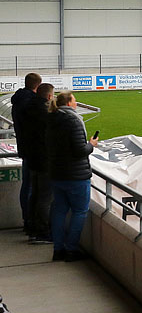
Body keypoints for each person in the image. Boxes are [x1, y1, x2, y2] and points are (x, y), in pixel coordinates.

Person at [47, 92, 98, 262]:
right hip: (75, 175)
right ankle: (71, 250)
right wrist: (91, 145)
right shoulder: (74, 121)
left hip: (56, 174)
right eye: (75, 100)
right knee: (79, 211)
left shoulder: (50, 119)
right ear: (69, 103)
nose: (76, 103)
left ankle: (58, 249)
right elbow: (79, 151)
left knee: (59, 211)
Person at [11, 73, 44, 238]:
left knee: (28, 186)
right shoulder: (31, 104)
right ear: (37, 86)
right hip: (34, 152)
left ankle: (28, 221)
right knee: (34, 188)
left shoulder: (17, 101)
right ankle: (32, 223)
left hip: (25, 149)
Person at [27, 83, 55, 244]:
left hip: (32, 157)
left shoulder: (28, 108)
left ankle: (32, 228)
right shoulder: (45, 113)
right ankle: (43, 232)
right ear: (49, 96)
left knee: (36, 193)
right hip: (44, 159)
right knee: (45, 197)